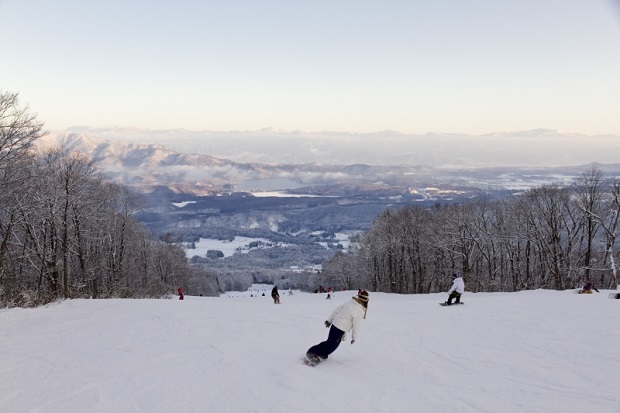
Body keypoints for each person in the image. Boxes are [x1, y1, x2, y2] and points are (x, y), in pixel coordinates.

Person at [306, 290, 369, 364]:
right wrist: (354, 337)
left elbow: (336, 310)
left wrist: (329, 321)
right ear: (365, 301)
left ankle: (322, 353)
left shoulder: (350, 302)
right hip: (340, 328)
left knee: (329, 343)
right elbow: (357, 325)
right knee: (331, 346)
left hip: (335, 325)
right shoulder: (359, 310)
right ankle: (311, 353)